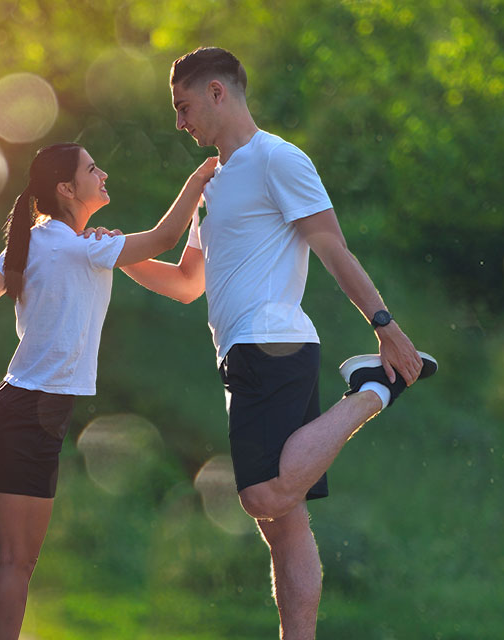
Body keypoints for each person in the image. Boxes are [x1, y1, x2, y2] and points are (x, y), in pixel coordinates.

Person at [119, 46, 437, 639]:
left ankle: (374, 390)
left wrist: (385, 324)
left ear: (218, 92)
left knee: (264, 495)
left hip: (272, 341)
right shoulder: (213, 182)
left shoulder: (278, 158)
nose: (180, 123)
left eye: (184, 107)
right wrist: (120, 258)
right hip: (239, 351)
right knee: (284, 525)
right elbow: (190, 283)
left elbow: (332, 246)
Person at [0, 143, 218, 639]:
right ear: (67, 189)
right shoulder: (82, 248)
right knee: (16, 563)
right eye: (93, 169)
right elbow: (164, 237)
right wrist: (199, 182)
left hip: (9, 405)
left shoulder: (39, 243)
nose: (103, 173)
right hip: (30, 415)